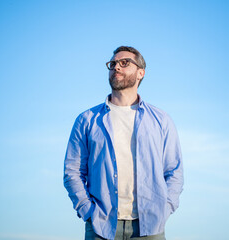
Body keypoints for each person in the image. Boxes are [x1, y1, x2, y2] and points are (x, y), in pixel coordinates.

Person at [63, 46, 183, 240]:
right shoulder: (87, 120)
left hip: (150, 226)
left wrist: (166, 208)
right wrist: (88, 212)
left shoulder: (161, 120)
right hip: (101, 226)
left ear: (141, 73)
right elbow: (73, 172)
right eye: (113, 64)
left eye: (124, 63)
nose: (116, 67)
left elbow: (174, 171)